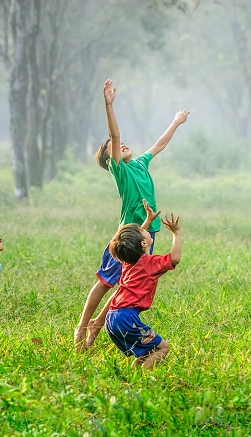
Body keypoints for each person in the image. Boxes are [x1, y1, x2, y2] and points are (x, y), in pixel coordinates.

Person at [74, 79, 189, 350]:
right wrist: (108, 104)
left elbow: (159, 145)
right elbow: (114, 136)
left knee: (126, 285)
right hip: (128, 235)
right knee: (105, 282)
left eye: (124, 144)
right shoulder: (120, 171)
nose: (122, 144)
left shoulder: (139, 163)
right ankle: (82, 327)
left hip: (147, 234)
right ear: (109, 159)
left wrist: (176, 122)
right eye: (114, 147)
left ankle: (94, 333)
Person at [105, 211, 181, 369]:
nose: (144, 229)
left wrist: (147, 221)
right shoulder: (149, 264)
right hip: (126, 318)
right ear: (143, 243)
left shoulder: (128, 261)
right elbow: (175, 258)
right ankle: (142, 379)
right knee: (163, 348)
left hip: (111, 317)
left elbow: (131, 242)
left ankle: (134, 373)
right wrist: (176, 233)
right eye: (143, 230)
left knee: (147, 351)